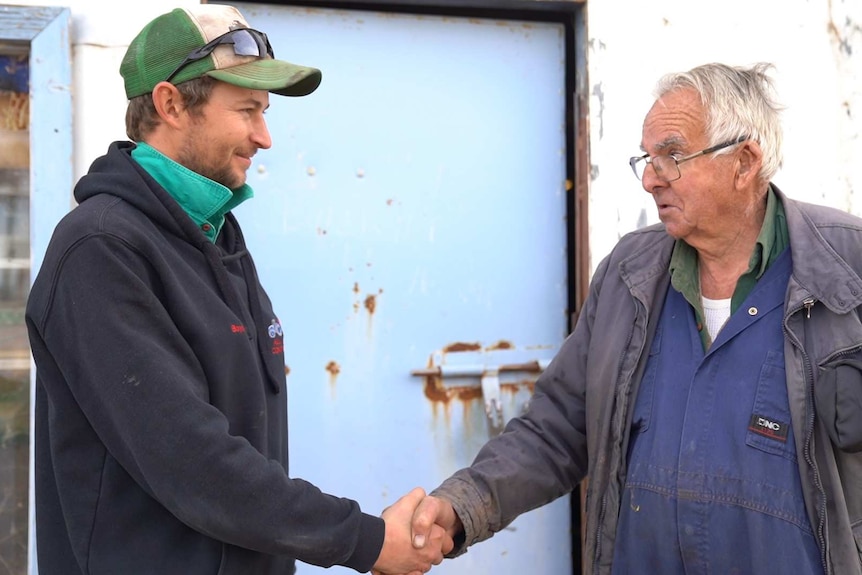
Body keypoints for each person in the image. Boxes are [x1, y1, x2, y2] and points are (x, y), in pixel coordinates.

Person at [25, 5, 451, 574]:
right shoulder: (102, 248)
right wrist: (364, 540)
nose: (265, 137)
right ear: (170, 104)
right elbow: (191, 459)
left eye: (265, 112)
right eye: (247, 110)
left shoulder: (216, 233)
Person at [408, 62, 862, 575]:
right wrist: (462, 505)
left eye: (671, 156)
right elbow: (558, 427)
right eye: (647, 158)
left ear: (744, 161)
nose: (650, 179)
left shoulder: (849, 268)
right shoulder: (630, 273)